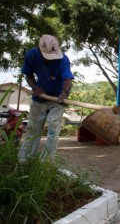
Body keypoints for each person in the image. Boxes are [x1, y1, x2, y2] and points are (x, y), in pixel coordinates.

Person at [19, 34, 74, 162]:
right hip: (39, 100)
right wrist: (35, 88)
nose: (50, 60)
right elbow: (28, 75)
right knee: (33, 132)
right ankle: (24, 162)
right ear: (39, 50)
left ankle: (45, 165)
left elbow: (67, 78)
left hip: (57, 100)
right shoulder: (32, 55)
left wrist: (65, 93)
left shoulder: (63, 60)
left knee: (53, 132)